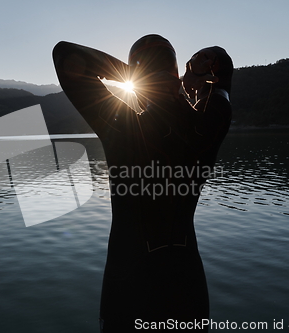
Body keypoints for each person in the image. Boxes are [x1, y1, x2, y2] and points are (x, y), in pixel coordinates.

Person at [53, 35, 233, 332]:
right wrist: (202, 68)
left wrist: (139, 75)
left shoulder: (123, 127)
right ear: (178, 73)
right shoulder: (211, 124)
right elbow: (224, 75)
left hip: (128, 283)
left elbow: (64, 55)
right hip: (187, 280)